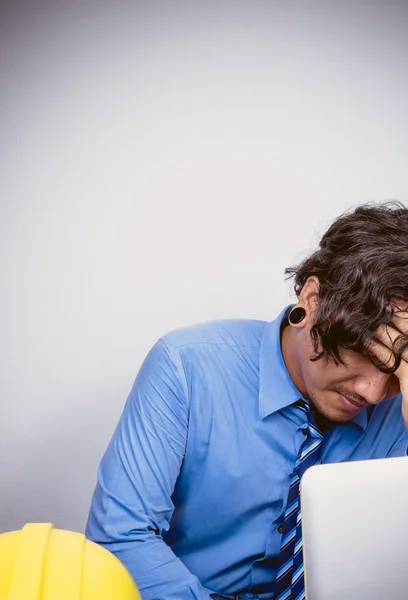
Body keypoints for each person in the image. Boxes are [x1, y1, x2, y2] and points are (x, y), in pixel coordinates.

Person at [86, 201, 408, 600]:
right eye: (363, 352)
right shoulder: (187, 368)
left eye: (396, 372)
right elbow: (119, 536)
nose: (373, 393)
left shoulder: (400, 411)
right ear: (312, 299)